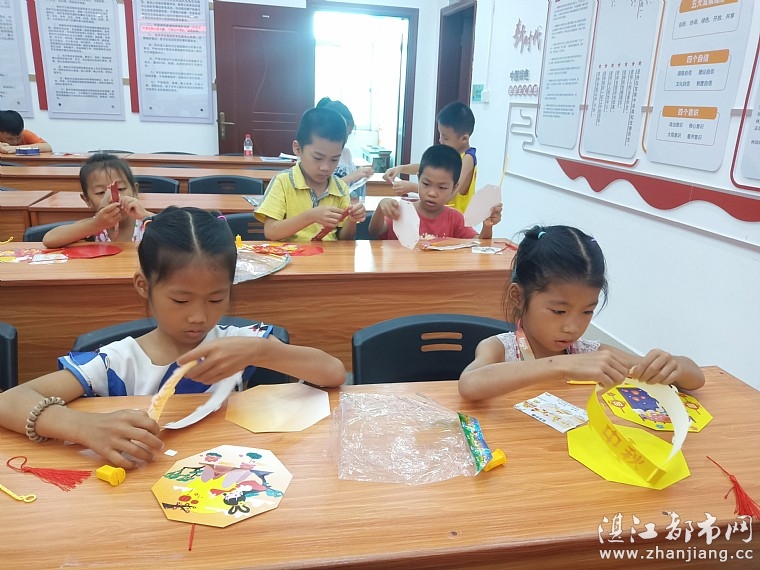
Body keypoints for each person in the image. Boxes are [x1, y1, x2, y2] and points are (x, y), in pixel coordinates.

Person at [0, 207, 346, 468]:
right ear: (143, 286)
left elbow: (333, 373)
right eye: (180, 300)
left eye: (216, 299)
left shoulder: (238, 343)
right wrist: (84, 427)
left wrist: (260, 351)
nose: (199, 316)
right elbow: (9, 401)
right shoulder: (117, 362)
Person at [458, 225, 705, 401]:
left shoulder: (591, 353)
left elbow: (696, 379)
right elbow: (469, 385)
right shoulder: (500, 348)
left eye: (587, 311)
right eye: (559, 311)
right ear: (518, 296)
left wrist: (674, 366)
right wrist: (560, 365)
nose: (573, 327)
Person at [254, 107, 366, 241]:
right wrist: (311, 216)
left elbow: (344, 238)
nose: (325, 167)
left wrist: (352, 221)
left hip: (328, 254)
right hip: (292, 253)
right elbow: (271, 232)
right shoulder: (283, 182)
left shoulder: (340, 188)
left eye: (334, 159)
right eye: (318, 158)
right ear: (297, 149)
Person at [368, 145, 501, 241]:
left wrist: (487, 226)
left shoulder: (455, 219)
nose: (432, 193)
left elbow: (478, 243)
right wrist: (380, 208)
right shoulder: (402, 211)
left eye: (442, 187)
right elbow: (374, 232)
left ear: (454, 188)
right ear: (419, 179)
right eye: (426, 184)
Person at [382, 101, 476, 213]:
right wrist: (401, 168)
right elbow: (426, 167)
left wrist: (413, 187)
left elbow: (450, 194)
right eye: (440, 135)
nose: (440, 140)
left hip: (456, 219)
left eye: (445, 138)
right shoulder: (449, 153)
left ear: (464, 139)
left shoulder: (468, 159)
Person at [42, 153, 151, 248]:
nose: (113, 198)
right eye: (100, 192)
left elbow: (162, 226)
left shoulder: (146, 222)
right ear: (87, 200)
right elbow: (49, 240)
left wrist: (146, 216)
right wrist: (96, 224)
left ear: (135, 191)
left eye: (121, 189)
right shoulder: (95, 225)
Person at [315, 97, 374, 202]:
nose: (346, 139)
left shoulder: (346, 153)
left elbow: (352, 186)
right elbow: (317, 191)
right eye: (343, 134)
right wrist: (353, 176)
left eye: (348, 134)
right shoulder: (314, 154)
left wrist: (362, 176)